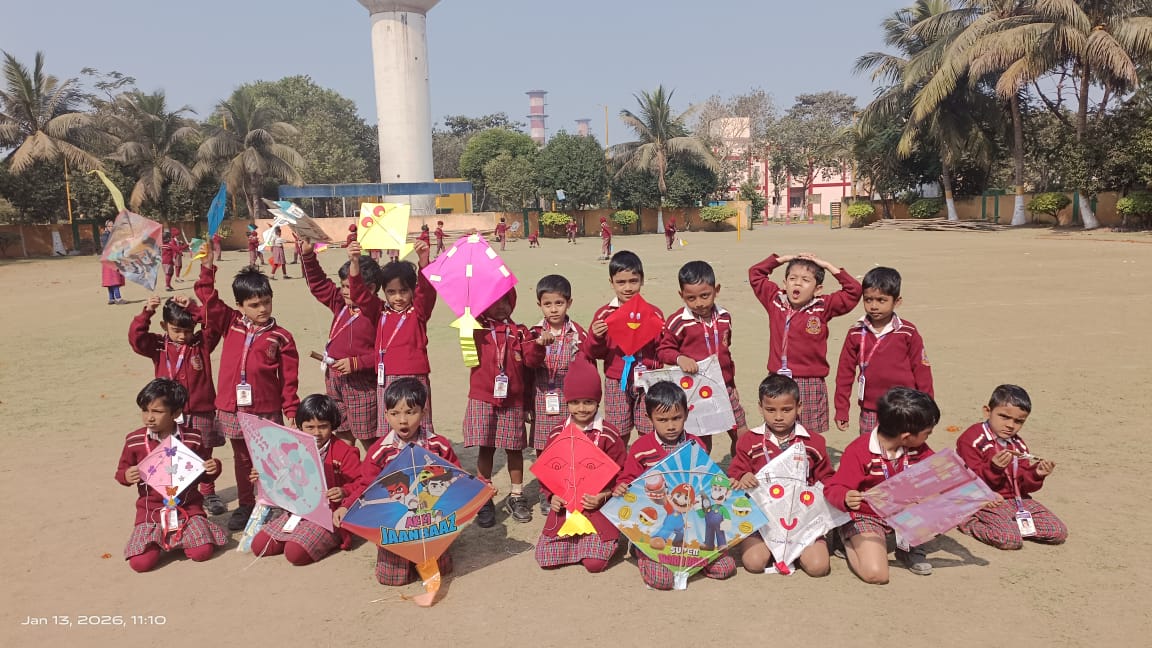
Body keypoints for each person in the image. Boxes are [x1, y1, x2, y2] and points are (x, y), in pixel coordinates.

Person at [195, 243, 300, 530]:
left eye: (266, 301)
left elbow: (289, 379)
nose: (262, 308)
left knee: (270, 459)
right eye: (254, 304)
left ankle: (274, 504)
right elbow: (207, 297)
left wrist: (291, 409)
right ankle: (246, 505)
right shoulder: (230, 323)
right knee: (242, 459)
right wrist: (207, 266)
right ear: (240, 306)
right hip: (232, 408)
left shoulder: (282, 337)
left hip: (266, 410)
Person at [612, 381, 736, 590]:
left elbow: (707, 481)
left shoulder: (696, 445)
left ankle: (695, 560)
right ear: (649, 418)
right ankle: (640, 551)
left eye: (676, 418)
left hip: (693, 523)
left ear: (686, 414)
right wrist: (622, 486)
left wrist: (726, 483)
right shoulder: (641, 448)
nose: (670, 426)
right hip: (655, 524)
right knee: (662, 579)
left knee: (724, 568)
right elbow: (627, 479)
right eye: (662, 420)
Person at [334, 378, 457, 586]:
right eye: (395, 413)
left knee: (442, 569)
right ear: (386, 415)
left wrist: (482, 488)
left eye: (410, 412)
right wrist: (346, 506)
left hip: (430, 522)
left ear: (424, 413)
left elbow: (458, 478)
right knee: (391, 579)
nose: (403, 420)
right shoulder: (380, 452)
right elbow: (366, 486)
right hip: (394, 524)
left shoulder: (438, 446)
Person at [824, 387, 939, 584]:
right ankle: (846, 538)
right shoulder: (859, 451)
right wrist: (845, 496)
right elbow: (833, 487)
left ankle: (908, 548)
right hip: (867, 515)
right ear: (906, 436)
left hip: (905, 512)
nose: (928, 436)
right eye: (926, 433)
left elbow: (938, 471)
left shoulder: (918, 449)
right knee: (876, 574)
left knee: (941, 499)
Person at [129, 295, 227, 515]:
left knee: (202, 452)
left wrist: (193, 308)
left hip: (201, 411)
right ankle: (178, 494)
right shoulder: (158, 346)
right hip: (169, 414)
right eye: (176, 330)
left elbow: (214, 323)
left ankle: (208, 493)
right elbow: (136, 339)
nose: (183, 336)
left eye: (188, 330)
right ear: (164, 326)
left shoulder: (201, 343)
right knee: (171, 453)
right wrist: (147, 312)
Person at [115, 379, 227, 572]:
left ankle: (184, 537)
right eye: (145, 411)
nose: (149, 418)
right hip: (151, 513)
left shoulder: (192, 438)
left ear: (176, 413)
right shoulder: (134, 441)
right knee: (140, 564)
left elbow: (205, 474)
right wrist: (126, 475)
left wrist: (213, 467)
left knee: (201, 552)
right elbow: (120, 472)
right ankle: (161, 539)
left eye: (157, 412)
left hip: (188, 510)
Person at [729, 373, 834, 576]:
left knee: (818, 567)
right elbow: (734, 472)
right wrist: (743, 476)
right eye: (770, 410)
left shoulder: (814, 442)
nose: (778, 417)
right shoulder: (749, 441)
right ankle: (767, 546)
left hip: (801, 519)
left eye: (786, 410)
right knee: (754, 562)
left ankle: (810, 544)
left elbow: (826, 477)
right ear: (760, 407)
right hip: (763, 519)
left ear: (799, 407)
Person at [748, 252, 862, 434]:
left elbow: (854, 291)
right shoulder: (775, 300)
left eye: (806, 280)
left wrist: (826, 265)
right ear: (785, 283)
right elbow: (755, 273)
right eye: (792, 278)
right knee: (779, 429)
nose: (798, 283)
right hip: (778, 378)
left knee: (809, 434)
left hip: (810, 382)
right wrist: (783, 259)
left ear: (818, 289)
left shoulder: (823, 307)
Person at [535, 358, 625, 573]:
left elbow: (622, 475)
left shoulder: (609, 435)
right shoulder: (557, 434)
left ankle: (609, 538)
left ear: (598, 402)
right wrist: (552, 496)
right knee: (546, 559)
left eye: (588, 402)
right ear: (567, 402)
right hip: (566, 508)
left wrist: (604, 495)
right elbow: (547, 474)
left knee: (595, 564)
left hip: (598, 508)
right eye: (575, 402)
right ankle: (576, 546)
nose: (582, 408)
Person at [249, 394, 361, 565]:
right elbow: (278, 476)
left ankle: (330, 537)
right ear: (300, 426)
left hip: (328, 515)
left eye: (323, 426)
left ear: (332, 425)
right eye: (310, 427)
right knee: (259, 545)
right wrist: (262, 476)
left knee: (294, 553)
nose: (316, 433)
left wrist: (344, 491)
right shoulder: (289, 446)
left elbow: (361, 483)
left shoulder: (345, 452)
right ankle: (301, 535)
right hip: (297, 510)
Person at [956, 385, 1067, 550]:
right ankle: (968, 521)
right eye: (1004, 417)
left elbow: (1023, 485)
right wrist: (994, 469)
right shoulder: (972, 439)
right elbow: (968, 480)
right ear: (987, 411)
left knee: (1057, 531)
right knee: (1009, 540)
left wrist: (1036, 474)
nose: (1010, 425)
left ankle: (1010, 526)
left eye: (1018, 421)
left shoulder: (1018, 444)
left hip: (1016, 501)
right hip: (984, 500)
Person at [347, 240, 436, 440]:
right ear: (384, 292)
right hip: (386, 378)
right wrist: (354, 262)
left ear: (412, 290)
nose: (398, 297)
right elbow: (358, 294)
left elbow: (427, 291)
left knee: (418, 426)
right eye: (391, 292)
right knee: (391, 429)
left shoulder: (418, 312)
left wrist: (423, 260)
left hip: (416, 377)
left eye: (403, 291)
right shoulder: (379, 311)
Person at [301, 239, 382, 450]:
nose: (345, 291)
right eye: (343, 285)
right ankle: (347, 469)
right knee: (342, 432)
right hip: (334, 379)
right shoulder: (341, 304)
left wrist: (356, 363)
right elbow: (318, 284)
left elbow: (385, 353)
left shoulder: (377, 311)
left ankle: (377, 469)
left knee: (367, 437)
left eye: (350, 286)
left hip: (361, 385)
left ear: (371, 288)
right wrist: (308, 255)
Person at [657, 260, 745, 455]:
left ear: (716, 290)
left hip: (724, 387)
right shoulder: (678, 322)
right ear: (681, 295)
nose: (699, 303)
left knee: (741, 434)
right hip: (696, 392)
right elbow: (663, 350)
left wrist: (733, 384)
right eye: (691, 298)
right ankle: (699, 471)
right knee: (702, 443)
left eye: (705, 295)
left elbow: (726, 354)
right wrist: (680, 358)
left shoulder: (725, 317)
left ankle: (739, 469)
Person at [834, 267, 933, 435]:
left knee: (904, 446)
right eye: (868, 300)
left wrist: (926, 407)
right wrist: (841, 409)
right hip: (870, 409)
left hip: (904, 407)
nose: (873, 306)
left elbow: (922, 371)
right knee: (870, 447)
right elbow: (845, 373)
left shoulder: (908, 332)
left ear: (897, 301)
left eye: (881, 300)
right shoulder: (856, 332)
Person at [465, 288, 533, 527]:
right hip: (484, 397)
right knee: (486, 448)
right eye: (494, 301)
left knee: (515, 449)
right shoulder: (476, 328)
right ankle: (484, 498)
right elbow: (467, 315)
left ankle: (517, 495)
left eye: (506, 300)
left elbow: (531, 362)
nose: (502, 306)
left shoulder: (521, 331)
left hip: (513, 400)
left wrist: (538, 345)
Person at [585, 251, 663, 443]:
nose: (627, 287)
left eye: (633, 281)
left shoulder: (653, 313)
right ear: (611, 282)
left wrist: (661, 334)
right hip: (617, 381)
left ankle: (647, 460)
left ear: (642, 280)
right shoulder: (604, 315)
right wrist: (596, 336)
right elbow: (592, 352)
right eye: (621, 282)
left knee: (650, 430)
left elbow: (663, 350)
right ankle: (620, 462)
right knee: (618, 432)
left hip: (648, 380)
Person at [524, 275, 588, 459]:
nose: (553, 309)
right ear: (539, 305)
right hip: (541, 400)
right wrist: (538, 346)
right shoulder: (533, 333)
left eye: (559, 303)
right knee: (543, 449)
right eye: (547, 304)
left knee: (570, 447)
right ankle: (546, 478)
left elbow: (586, 369)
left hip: (570, 401)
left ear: (569, 303)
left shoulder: (577, 334)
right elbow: (527, 367)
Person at [101, 219, 126, 305]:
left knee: (112, 279)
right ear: (106, 227)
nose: (112, 227)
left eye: (113, 226)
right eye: (110, 226)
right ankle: (117, 298)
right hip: (109, 259)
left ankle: (111, 298)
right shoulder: (105, 236)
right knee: (113, 279)